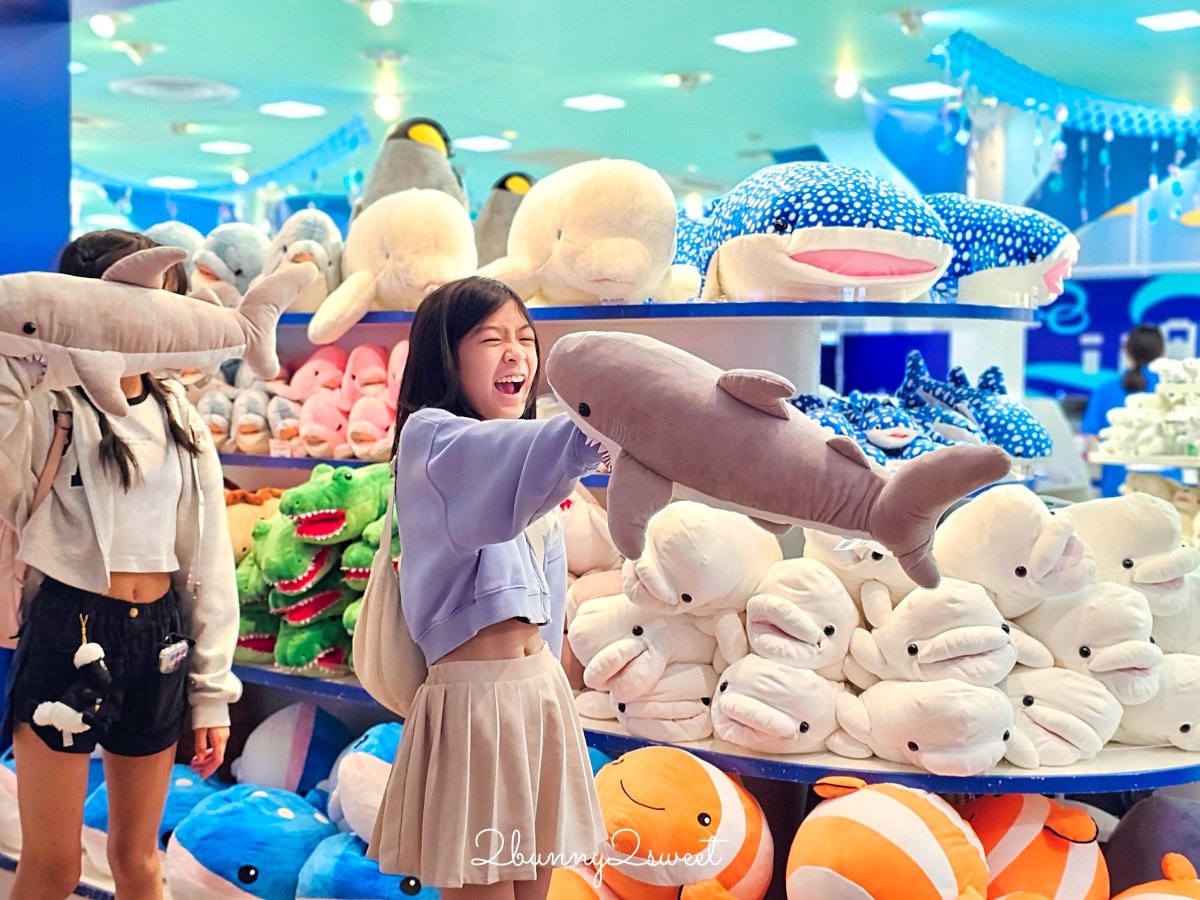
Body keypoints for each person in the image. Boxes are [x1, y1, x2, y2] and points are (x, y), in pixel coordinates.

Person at [0, 230, 241, 900]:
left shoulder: (181, 417)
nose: (153, 321)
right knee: (53, 866)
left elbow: (208, 556)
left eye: (166, 302)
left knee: (138, 858)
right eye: (137, 303)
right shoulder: (46, 406)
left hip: (159, 637)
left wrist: (212, 692)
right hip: (70, 628)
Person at [369, 276, 606, 900]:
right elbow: (527, 446)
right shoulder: (432, 439)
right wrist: (612, 413)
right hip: (474, 707)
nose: (517, 355)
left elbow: (551, 601)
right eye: (491, 338)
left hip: (540, 698)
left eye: (526, 339)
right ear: (447, 354)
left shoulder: (526, 467)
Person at [1081, 323, 1167, 497]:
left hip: (1117, 488)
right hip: (1167, 488)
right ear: (1161, 353)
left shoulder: (1105, 390)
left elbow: (1091, 443)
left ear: (1126, 351)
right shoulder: (1171, 389)